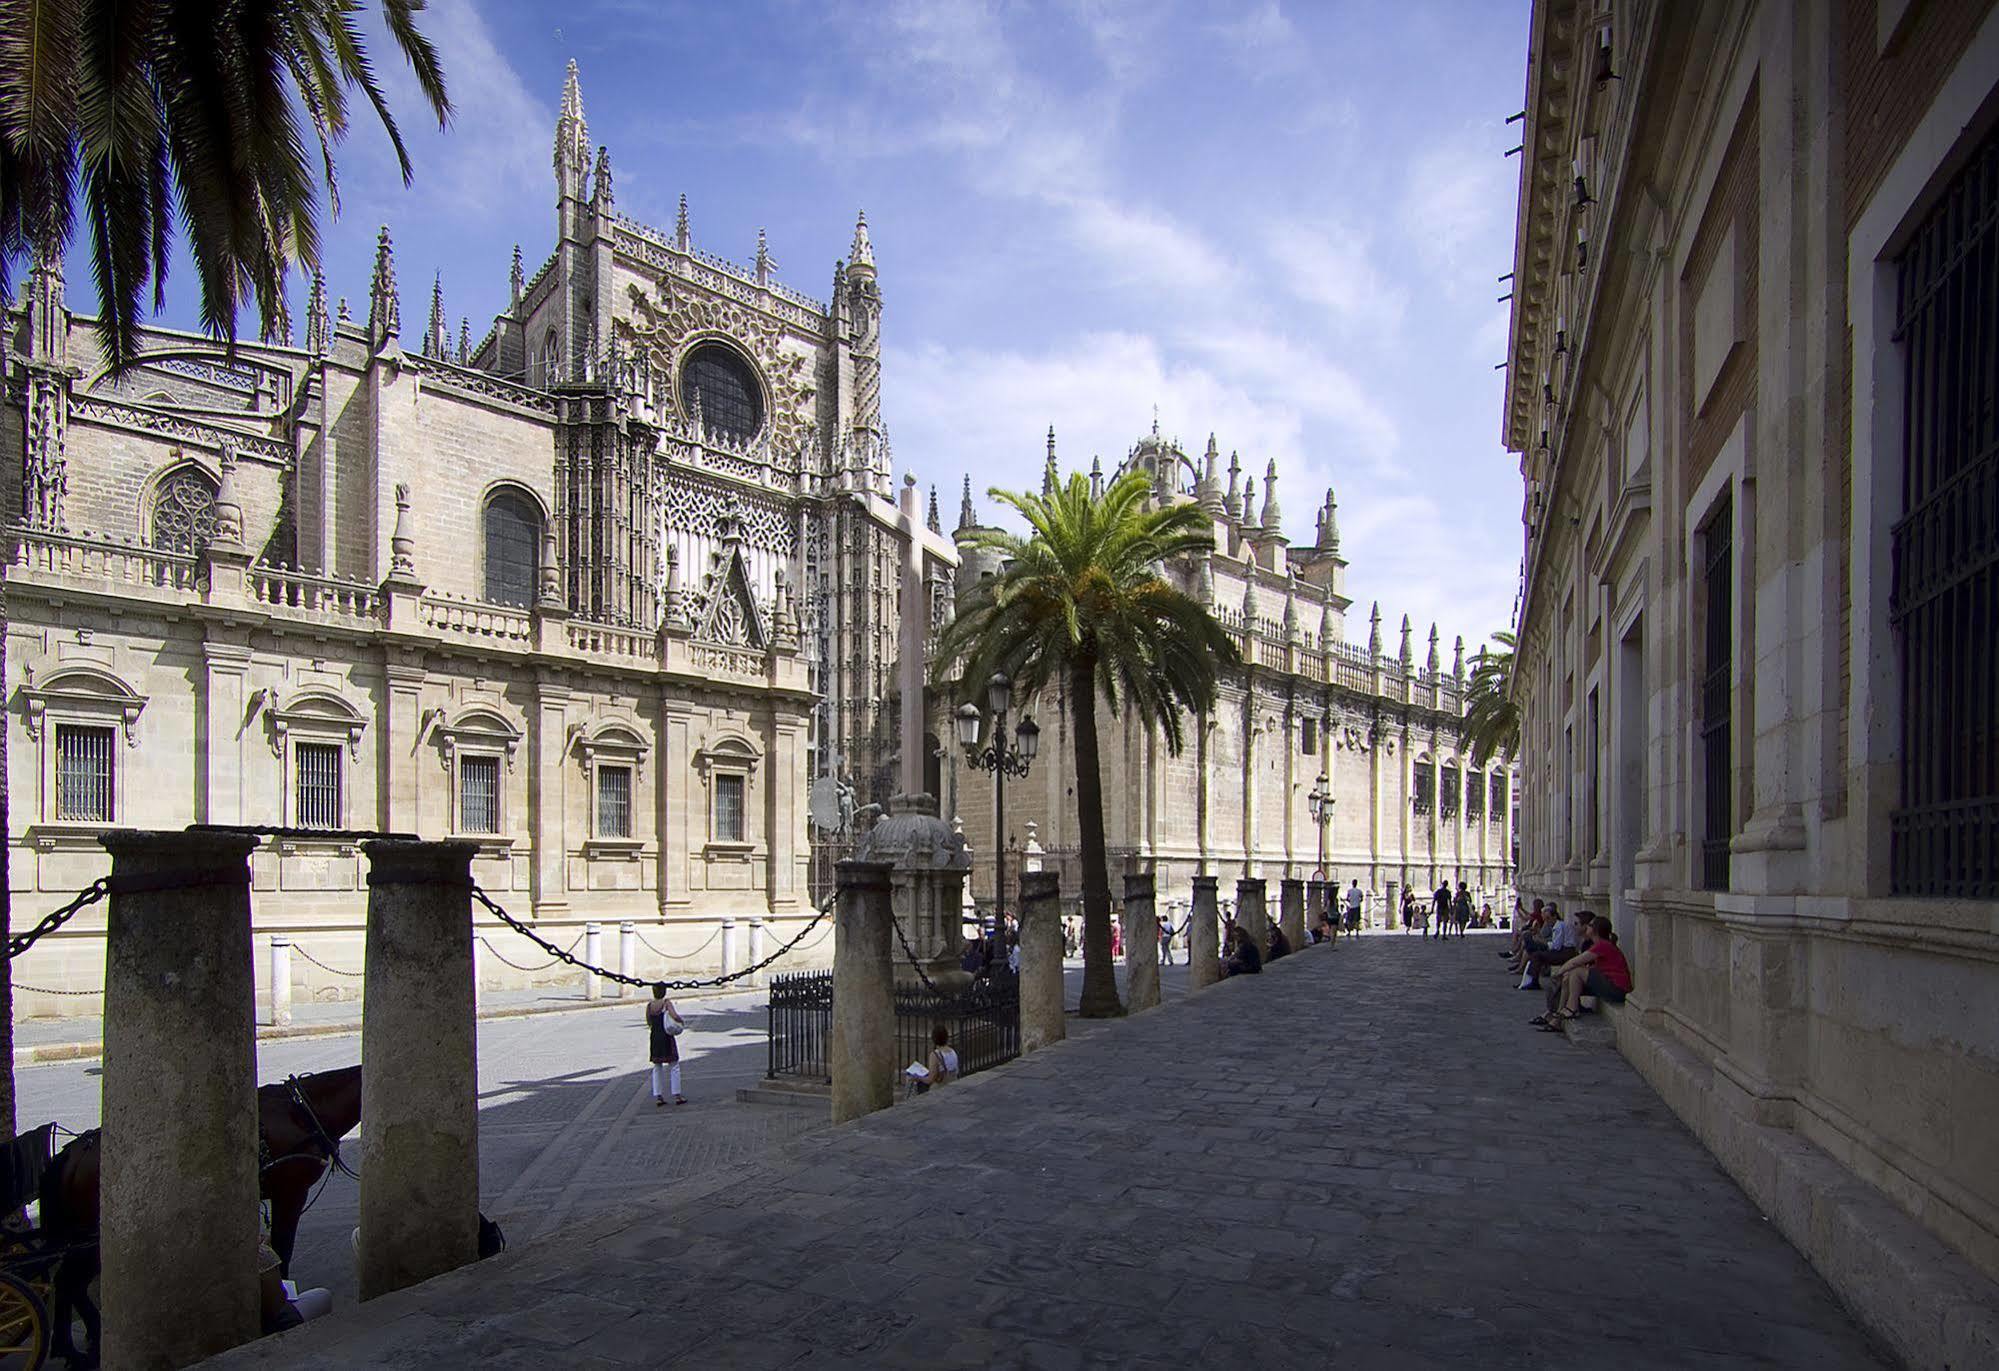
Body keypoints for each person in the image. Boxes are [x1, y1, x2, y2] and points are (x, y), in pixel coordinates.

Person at [1534, 915, 1633, 1026]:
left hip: (1617, 989)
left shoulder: (1602, 945)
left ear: (1596, 930)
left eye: (1590, 925)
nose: (1587, 927)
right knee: (1567, 977)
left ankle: (1572, 1008)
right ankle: (1557, 1016)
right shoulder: (1598, 944)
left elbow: (1575, 962)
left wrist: (1558, 973)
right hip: (1609, 985)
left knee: (1576, 971)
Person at [646, 981, 687, 1106]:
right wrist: (681, 1021)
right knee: (674, 1064)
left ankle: (658, 1096)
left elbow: (648, 1021)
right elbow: (674, 1015)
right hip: (666, 1036)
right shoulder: (666, 1003)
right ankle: (677, 1095)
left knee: (657, 1066)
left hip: (655, 1037)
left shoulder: (649, 1005)